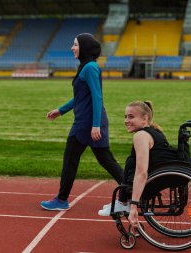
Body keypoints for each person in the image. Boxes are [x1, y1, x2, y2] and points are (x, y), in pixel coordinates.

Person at [40, 33, 124, 211]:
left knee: (71, 158)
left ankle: (62, 199)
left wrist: (95, 125)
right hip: (90, 121)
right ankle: (132, 190)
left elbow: (97, 96)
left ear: (84, 47)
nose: (72, 48)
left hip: (87, 123)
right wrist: (61, 110)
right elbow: (80, 97)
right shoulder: (86, 67)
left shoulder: (90, 68)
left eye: (76, 44)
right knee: (105, 159)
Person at [98, 101, 178, 229]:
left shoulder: (141, 136)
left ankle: (124, 203)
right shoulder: (155, 131)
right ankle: (122, 201)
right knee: (131, 162)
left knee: (131, 162)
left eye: (131, 117)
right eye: (125, 117)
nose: (126, 121)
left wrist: (134, 205)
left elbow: (142, 172)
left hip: (150, 180)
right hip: (159, 174)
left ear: (144, 119)